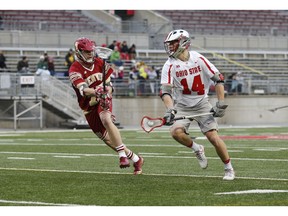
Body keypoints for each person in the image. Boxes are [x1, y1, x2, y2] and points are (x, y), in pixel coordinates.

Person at [160, 29, 235, 180]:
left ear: (183, 42)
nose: (170, 46)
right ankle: (197, 148)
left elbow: (218, 79)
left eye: (173, 43)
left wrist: (220, 103)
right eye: (169, 44)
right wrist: (170, 109)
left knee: (213, 137)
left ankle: (229, 168)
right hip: (182, 105)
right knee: (176, 132)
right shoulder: (169, 65)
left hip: (202, 103)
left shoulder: (198, 58)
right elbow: (165, 91)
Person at [68, 37, 144, 175]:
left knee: (106, 120)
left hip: (103, 99)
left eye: (91, 51)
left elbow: (109, 85)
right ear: (79, 52)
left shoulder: (100, 63)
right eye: (87, 52)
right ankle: (136, 158)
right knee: (107, 139)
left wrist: (107, 92)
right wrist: (97, 92)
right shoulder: (74, 68)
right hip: (88, 106)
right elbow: (83, 90)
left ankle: (122, 156)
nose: (90, 54)